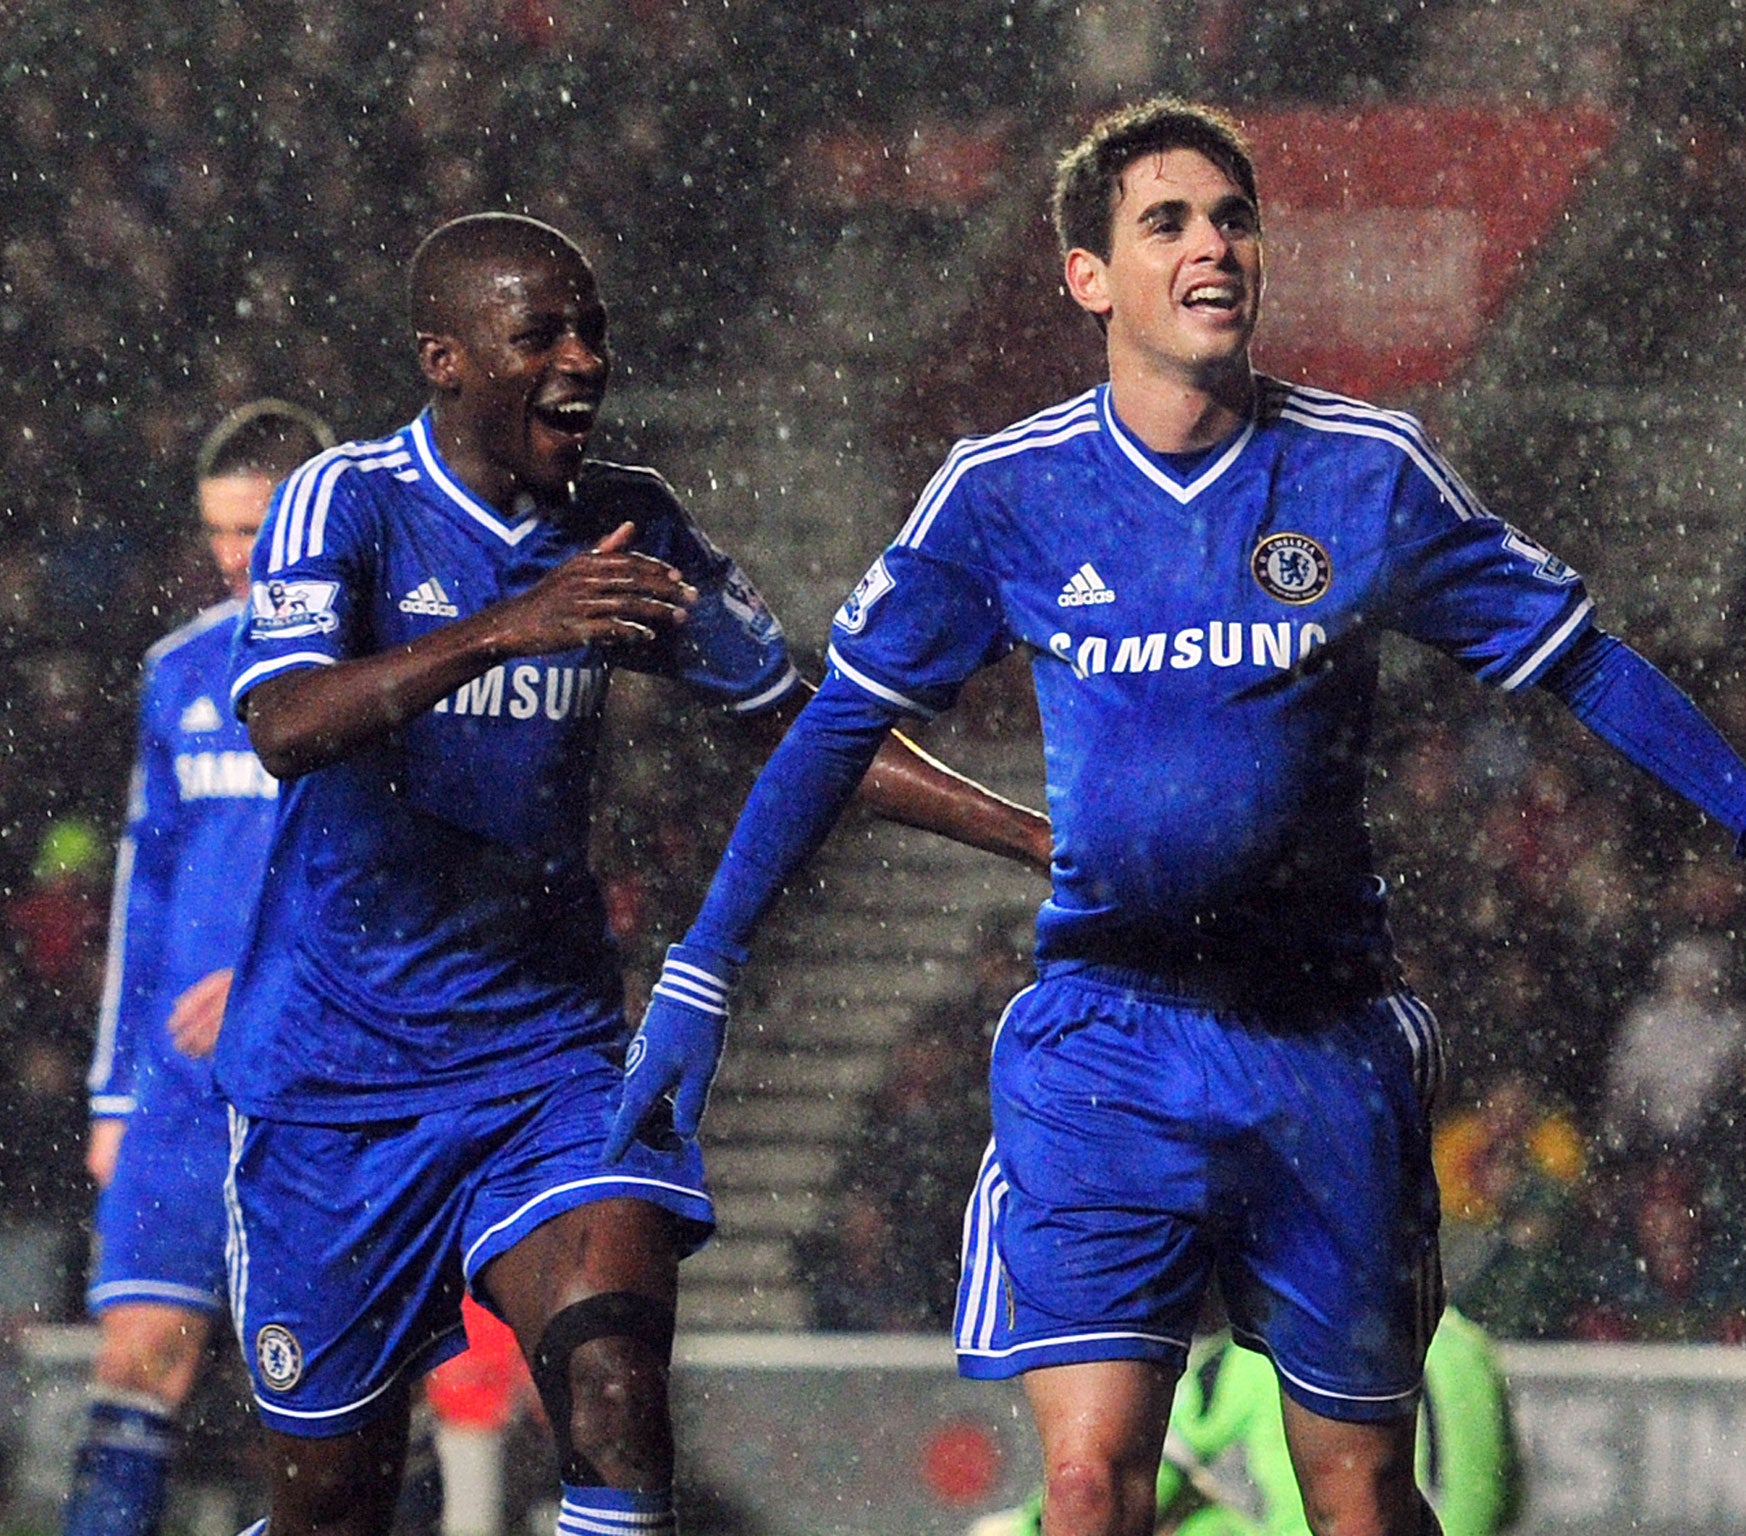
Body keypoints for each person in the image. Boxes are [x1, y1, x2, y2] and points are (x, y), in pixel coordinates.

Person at [617, 99, 1746, 1536]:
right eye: (1168, 222)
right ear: (1088, 277)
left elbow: (1587, 666)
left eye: (1233, 217)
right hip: (1106, 1039)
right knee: (1086, 1482)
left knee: (1365, 1493)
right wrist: (703, 970)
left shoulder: (1363, 473)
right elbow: (833, 735)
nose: (1213, 245)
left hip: (1324, 1042)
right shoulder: (1004, 495)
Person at [215, 212, 1051, 1536]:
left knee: (612, 1388)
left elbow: (804, 730)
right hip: (336, 1085)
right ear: (444, 357)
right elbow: (285, 725)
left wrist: (1043, 840)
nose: (581, 360)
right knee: (336, 1510)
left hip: (543, 1066)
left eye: (591, 329)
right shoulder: (350, 499)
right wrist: (510, 626)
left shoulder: (628, 519)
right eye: (538, 332)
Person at [65, 400, 354, 1536]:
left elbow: (394, 884)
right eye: (219, 534)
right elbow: (146, 895)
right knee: (136, 1362)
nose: (235, 558)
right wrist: (114, 1095)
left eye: (257, 530)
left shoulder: (375, 675)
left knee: (336, 1401)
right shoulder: (179, 672)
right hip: (179, 1099)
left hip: (320, 1082)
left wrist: (275, 972)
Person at [970, 1304, 1522, 1536]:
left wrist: (1017, 1527)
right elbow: (1508, 1496)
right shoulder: (1468, 1344)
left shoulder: (1256, 1351)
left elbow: (1138, 1474)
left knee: (1161, 1500)